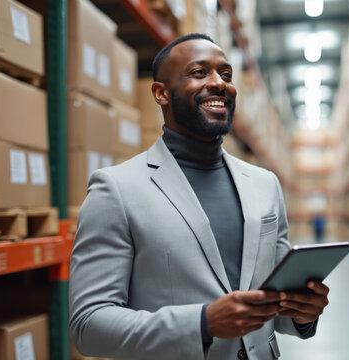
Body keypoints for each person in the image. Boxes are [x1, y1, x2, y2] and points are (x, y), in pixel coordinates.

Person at [69, 33, 329, 360]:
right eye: (199, 72)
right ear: (161, 93)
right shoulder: (116, 189)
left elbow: (277, 306)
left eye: (226, 74)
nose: (219, 83)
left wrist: (302, 315)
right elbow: (88, 325)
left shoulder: (265, 185)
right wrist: (202, 323)